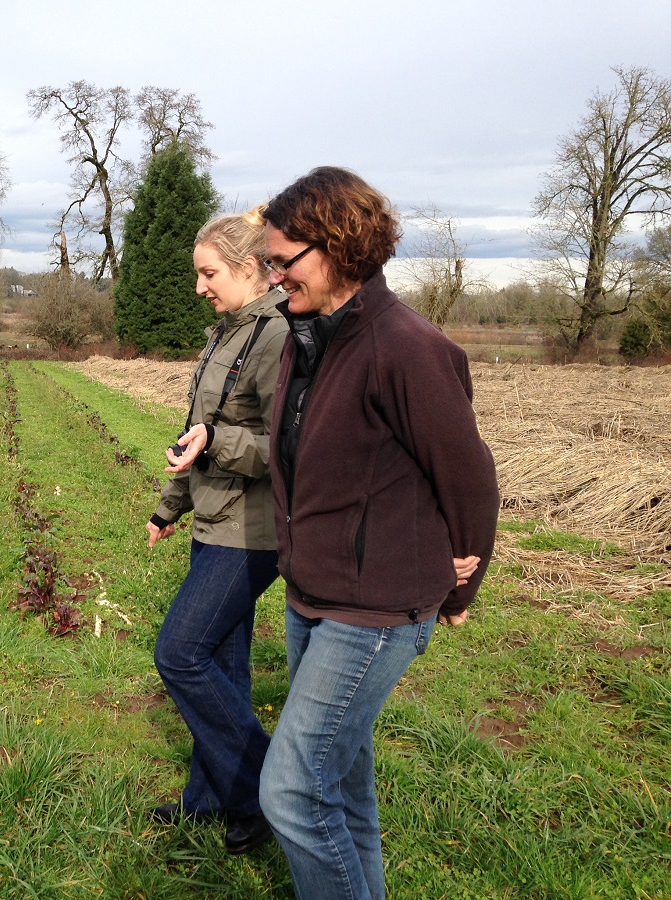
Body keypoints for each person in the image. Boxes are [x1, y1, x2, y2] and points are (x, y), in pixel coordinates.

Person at [255, 167, 499, 899]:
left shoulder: (407, 347)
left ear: (336, 248)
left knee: (292, 791)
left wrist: (460, 590)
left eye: (283, 260)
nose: (272, 276)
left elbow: (470, 479)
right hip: (312, 597)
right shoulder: (310, 339)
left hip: (374, 610)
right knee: (342, 790)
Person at [147, 208, 289, 855]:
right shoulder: (226, 334)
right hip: (213, 521)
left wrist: (217, 442)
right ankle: (210, 803)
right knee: (224, 670)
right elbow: (194, 432)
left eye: (209, 273)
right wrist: (169, 507)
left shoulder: (276, 338)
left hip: (251, 533)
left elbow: (289, 446)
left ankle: (269, 789)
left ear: (248, 268)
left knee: (179, 653)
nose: (200, 285)